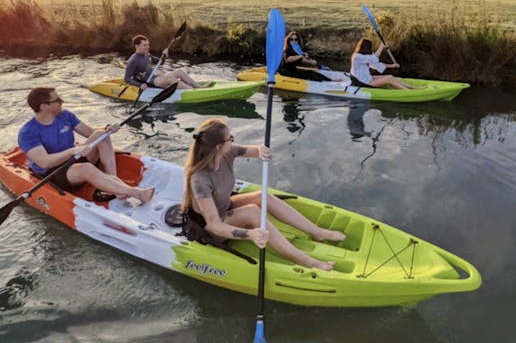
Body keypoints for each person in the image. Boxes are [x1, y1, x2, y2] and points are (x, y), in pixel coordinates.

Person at [181, 118, 345, 271]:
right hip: (210, 231)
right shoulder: (200, 180)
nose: (232, 139)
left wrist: (261, 151)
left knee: (261, 196)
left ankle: (316, 232)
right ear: (218, 147)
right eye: (229, 138)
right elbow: (213, 225)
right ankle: (305, 261)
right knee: (252, 211)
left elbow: (253, 150)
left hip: (224, 207)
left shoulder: (226, 152)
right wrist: (249, 234)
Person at [17, 87, 154, 203]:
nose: (62, 101)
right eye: (57, 100)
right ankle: (135, 193)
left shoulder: (65, 115)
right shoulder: (28, 132)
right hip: (53, 171)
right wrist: (72, 151)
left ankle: (111, 185)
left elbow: (91, 132)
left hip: (74, 157)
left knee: (101, 135)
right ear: (44, 106)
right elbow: (45, 162)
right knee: (86, 168)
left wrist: (108, 128)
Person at [124, 34, 207, 90]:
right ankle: (193, 91)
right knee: (171, 79)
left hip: (157, 77)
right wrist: (140, 85)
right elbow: (127, 79)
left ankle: (199, 87)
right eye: (145, 45)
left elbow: (161, 62)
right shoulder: (133, 60)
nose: (148, 47)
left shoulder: (147, 55)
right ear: (137, 46)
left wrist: (164, 55)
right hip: (150, 82)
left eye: (148, 44)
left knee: (179, 72)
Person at [350, 38, 425, 90]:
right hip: (361, 82)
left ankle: (412, 88)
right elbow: (374, 58)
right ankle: (408, 92)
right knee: (388, 79)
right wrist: (381, 46)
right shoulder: (357, 57)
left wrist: (393, 65)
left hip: (366, 79)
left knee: (390, 76)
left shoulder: (364, 56)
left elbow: (375, 64)